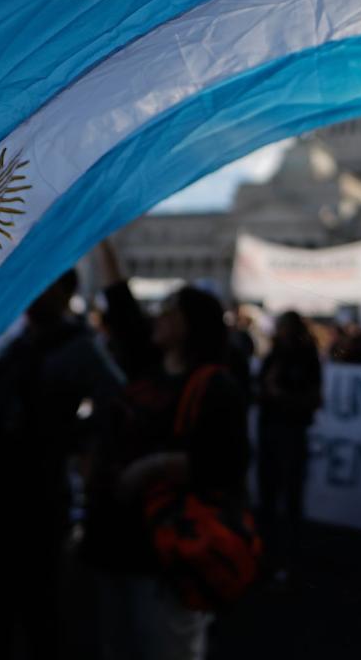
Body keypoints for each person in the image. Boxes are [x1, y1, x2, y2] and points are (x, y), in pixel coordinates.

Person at [0, 270, 122, 660]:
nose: (36, 290)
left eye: (47, 283)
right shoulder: (19, 345)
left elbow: (115, 405)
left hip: (39, 497)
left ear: (65, 292)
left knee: (40, 611)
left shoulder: (77, 347)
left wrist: (66, 436)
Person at [84, 280, 250, 660]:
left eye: (170, 309)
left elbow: (227, 464)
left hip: (167, 554)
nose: (158, 315)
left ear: (190, 323)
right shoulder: (147, 370)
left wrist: (150, 469)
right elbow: (123, 309)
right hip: (116, 541)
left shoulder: (215, 386)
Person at [256, 310, 324, 579]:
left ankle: (290, 558)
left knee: (291, 497)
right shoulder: (273, 357)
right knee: (268, 495)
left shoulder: (307, 358)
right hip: (270, 431)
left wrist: (281, 396)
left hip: (292, 432)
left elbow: (314, 399)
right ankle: (268, 554)